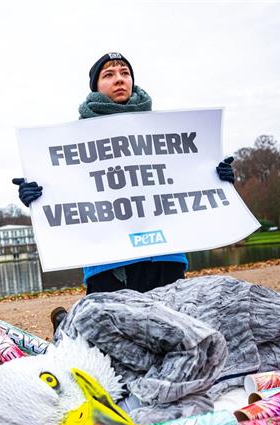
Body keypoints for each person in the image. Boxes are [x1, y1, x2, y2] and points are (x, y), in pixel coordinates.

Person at [12, 52, 235, 330]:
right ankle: (72, 331)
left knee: (176, 332)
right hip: (109, 263)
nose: (119, 79)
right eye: (109, 74)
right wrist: (36, 197)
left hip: (165, 257)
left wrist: (217, 178)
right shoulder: (70, 141)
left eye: (124, 72)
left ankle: (70, 328)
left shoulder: (166, 132)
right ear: (96, 87)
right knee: (116, 340)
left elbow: (184, 176)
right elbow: (67, 191)